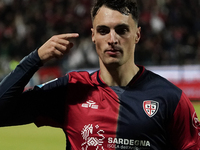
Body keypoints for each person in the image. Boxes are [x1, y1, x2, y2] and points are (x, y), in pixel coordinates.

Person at [0, 0, 200, 149]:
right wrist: (35, 59)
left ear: (137, 35)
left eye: (122, 30)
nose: (112, 39)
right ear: (93, 35)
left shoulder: (171, 99)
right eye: (104, 30)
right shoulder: (71, 89)